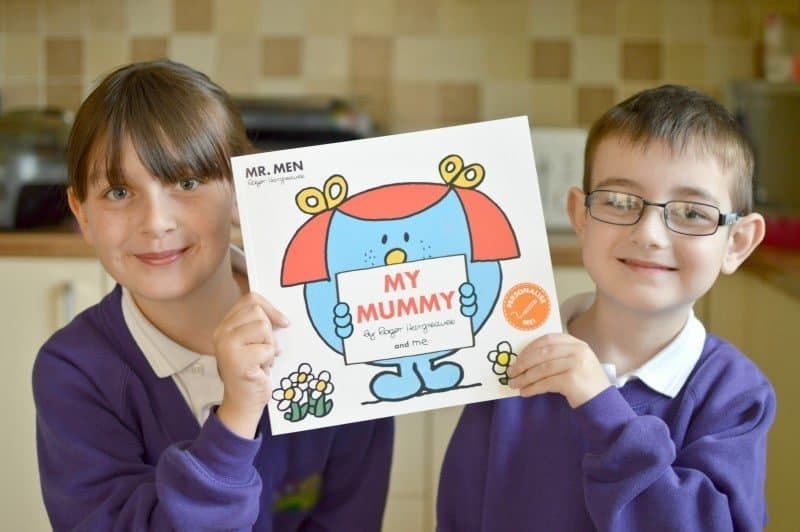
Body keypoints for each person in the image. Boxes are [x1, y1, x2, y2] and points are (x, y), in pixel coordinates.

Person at [33, 59, 393, 531]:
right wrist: (237, 418)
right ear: (81, 213)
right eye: (119, 192)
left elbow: (349, 518)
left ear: (243, 189)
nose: (156, 222)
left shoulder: (334, 332)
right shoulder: (74, 373)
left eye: (186, 183)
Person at [437, 85, 775, 531]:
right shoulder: (512, 359)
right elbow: (460, 514)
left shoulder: (735, 395)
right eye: (619, 202)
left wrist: (601, 407)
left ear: (737, 242)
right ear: (580, 215)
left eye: (692, 213)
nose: (650, 234)